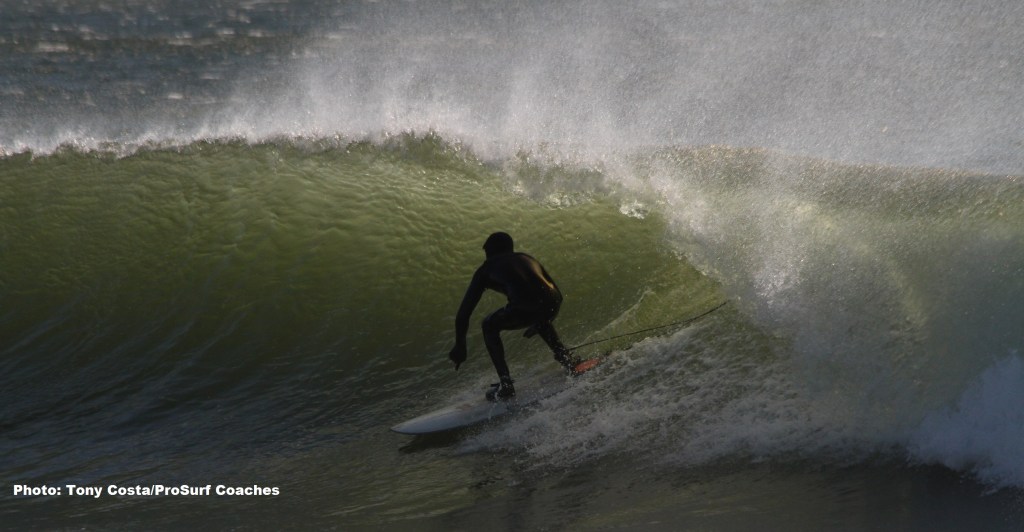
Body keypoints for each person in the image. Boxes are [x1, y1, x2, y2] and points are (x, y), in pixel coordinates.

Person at [448, 232, 579, 400]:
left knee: (489, 324)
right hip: (553, 302)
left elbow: (463, 313)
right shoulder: (526, 258)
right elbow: (555, 294)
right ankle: (566, 359)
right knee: (538, 311)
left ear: (488, 250)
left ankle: (506, 383)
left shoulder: (485, 269)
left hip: (526, 306)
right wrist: (546, 319)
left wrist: (460, 346)